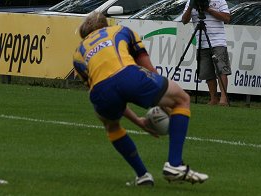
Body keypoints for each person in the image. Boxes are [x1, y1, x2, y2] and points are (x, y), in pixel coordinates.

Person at [73, 11, 208, 186]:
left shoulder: (77, 53)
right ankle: (174, 165)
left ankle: (143, 176)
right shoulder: (120, 30)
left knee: (112, 126)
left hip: (99, 91)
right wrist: (165, 100)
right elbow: (148, 69)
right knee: (181, 99)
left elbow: (109, 89)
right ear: (105, 25)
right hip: (127, 74)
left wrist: (139, 122)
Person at [182, 0, 232, 106]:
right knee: (207, 72)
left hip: (218, 41)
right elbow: (184, 20)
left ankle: (224, 99)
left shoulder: (219, 1)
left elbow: (227, 18)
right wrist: (191, 7)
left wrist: (208, 10)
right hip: (202, 42)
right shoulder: (192, 1)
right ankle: (213, 98)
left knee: (221, 69)